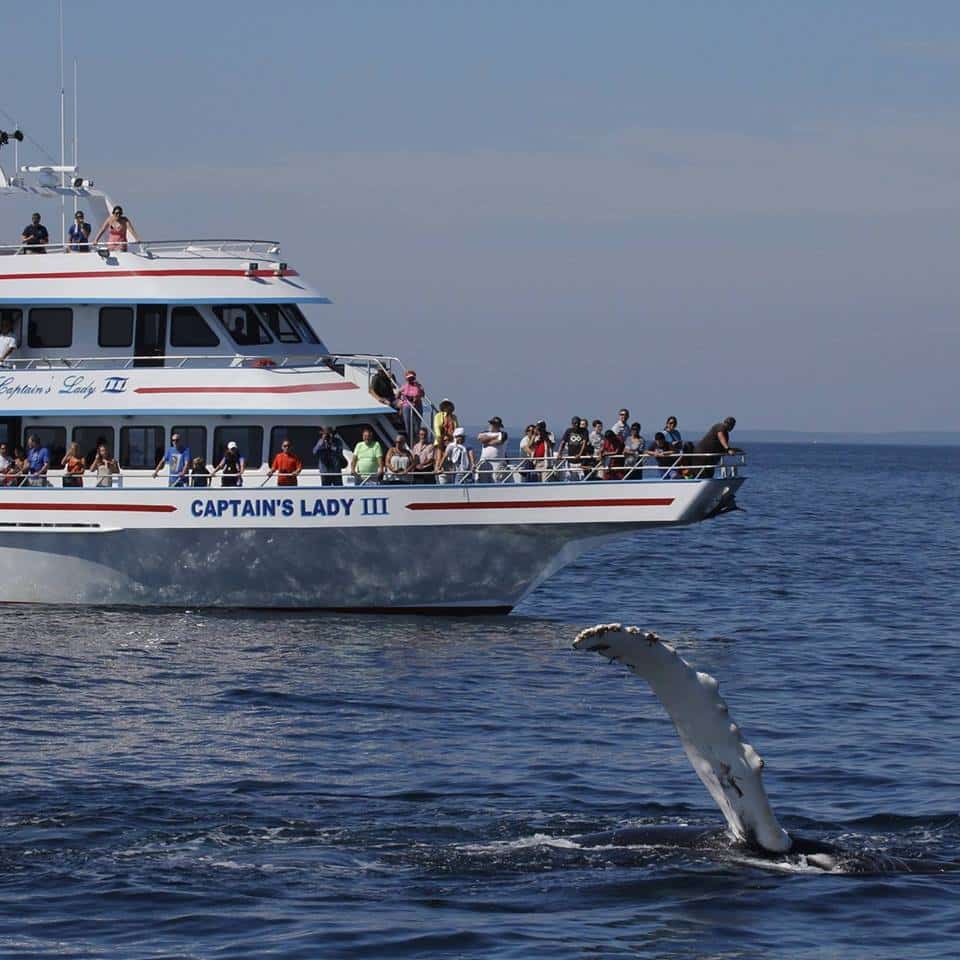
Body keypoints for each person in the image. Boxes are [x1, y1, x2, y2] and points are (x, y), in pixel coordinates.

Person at [476, 416, 508, 483]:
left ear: (498, 426)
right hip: (483, 461)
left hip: (497, 462)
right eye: (491, 423)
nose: (491, 425)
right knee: (481, 480)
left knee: (496, 480)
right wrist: (495, 437)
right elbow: (480, 439)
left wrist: (487, 441)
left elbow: (499, 441)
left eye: (493, 424)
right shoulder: (484, 432)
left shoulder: (503, 434)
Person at [397, 369, 425, 439]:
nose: (411, 379)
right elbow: (398, 393)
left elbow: (422, 394)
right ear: (406, 379)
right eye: (409, 378)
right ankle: (410, 439)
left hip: (417, 405)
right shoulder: (405, 386)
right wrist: (400, 400)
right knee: (408, 424)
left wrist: (417, 397)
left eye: (412, 378)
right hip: (407, 405)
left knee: (417, 426)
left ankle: (416, 439)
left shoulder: (418, 385)